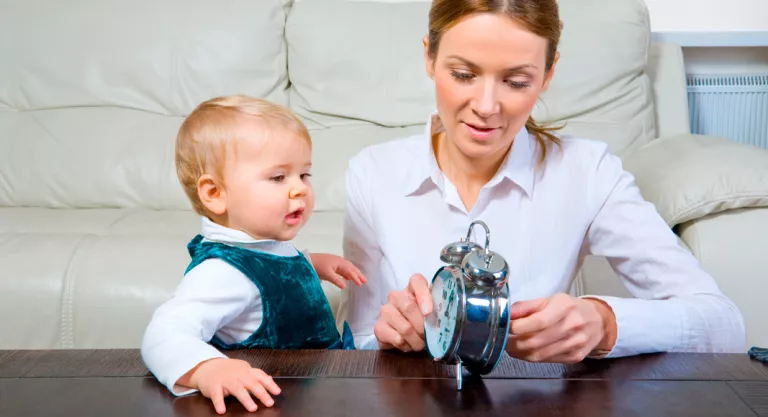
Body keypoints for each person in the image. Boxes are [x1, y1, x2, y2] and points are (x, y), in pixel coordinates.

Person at [337, 0, 746, 362]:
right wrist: (389, 336)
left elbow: (723, 324)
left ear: (549, 73)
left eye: (517, 82)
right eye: (463, 74)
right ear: (429, 58)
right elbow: (358, 340)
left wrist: (603, 322)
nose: (486, 106)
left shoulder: (587, 172)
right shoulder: (374, 174)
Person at [141, 95, 366, 414]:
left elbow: (273, 271)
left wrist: (311, 264)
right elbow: (162, 333)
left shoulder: (258, 243)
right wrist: (208, 369)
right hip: (276, 397)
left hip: (317, 386)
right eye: (278, 177)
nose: (299, 189)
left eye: (304, 175)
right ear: (215, 194)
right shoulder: (222, 272)